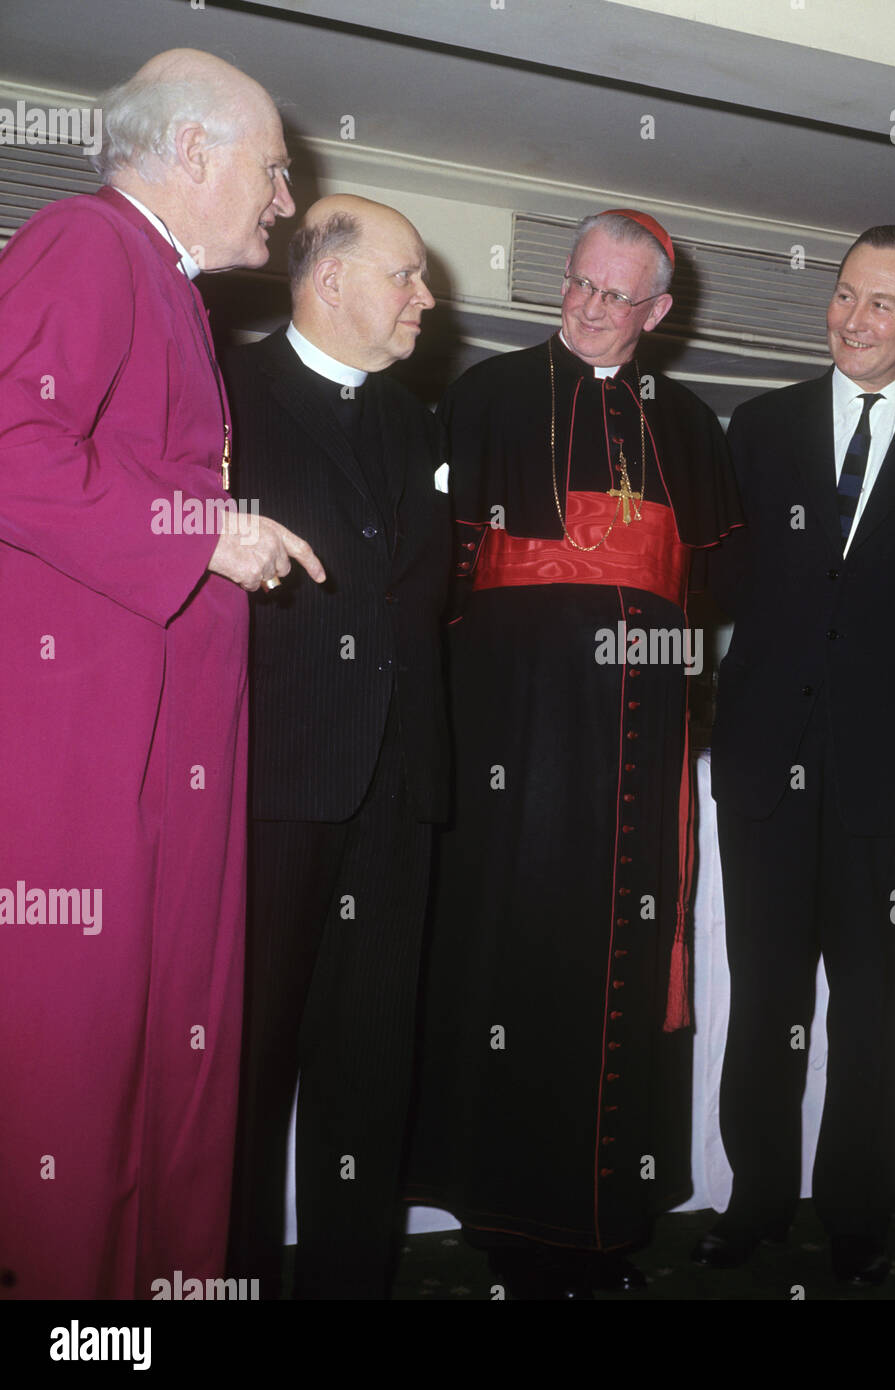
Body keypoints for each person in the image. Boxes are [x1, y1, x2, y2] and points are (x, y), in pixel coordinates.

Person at [0, 49, 321, 1300]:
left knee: (154, 1060)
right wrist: (202, 531)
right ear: (192, 153)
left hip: (157, 734)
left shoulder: (168, 284)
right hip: (91, 742)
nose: (285, 201)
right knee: (85, 1073)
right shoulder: (88, 244)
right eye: (274, 170)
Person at [406, 209, 742, 1298]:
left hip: (638, 751)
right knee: (507, 956)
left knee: (623, 969)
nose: (591, 310)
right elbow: (433, 579)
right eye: (580, 287)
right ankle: (502, 1217)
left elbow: (715, 595)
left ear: (658, 311)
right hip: (508, 738)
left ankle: (603, 1227)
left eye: (616, 296)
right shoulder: (486, 396)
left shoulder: (690, 425)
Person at [699, 225, 895, 1283]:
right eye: (844, 295)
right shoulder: (763, 425)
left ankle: (857, 1214)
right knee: (766, 995)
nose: (852, 318)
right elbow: (722, 587)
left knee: (872, 1002)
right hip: (762, 766)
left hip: (893, 777)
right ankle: (754, 1200)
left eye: (882, 304)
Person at [222, 195, 450, 1299]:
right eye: (406, 276)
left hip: (397, 794)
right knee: (248, 1074)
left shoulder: (415, 421)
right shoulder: (225, 392)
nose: (428, 297)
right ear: (330, 281)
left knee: (371, 1074)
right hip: (273, 786)